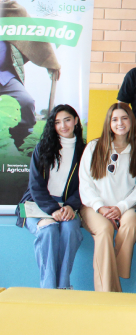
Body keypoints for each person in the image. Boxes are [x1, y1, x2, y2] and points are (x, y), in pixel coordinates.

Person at [16, 104, 85, 289]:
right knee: (49, 230)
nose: (63, 126)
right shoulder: (43, 148)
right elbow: (35, 185)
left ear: (75, 121)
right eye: (57, 122)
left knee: (71, 230)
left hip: (67, 206)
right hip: (37, 204)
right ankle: (48, 290)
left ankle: (62, 287)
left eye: (67, 120)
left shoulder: (84, 151)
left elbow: (85, 185)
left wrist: (71, 205)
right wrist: (53, 209)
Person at [78, 103, 136, 292]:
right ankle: (106, 291)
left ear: (131, 121)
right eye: (114, 119)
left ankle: (112, 270)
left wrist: (121, 207)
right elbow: (85, 183)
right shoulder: (94, 147)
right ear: (108, 123)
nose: (120, 123)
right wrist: (100, 207)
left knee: (131, 224)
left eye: (124, 118)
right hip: (94, 208)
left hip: (125, 208)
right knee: (105, 229)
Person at [0, 0, 61, 151]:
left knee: (25, 102)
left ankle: (22, 144)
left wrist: (52, 64)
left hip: (4, 75)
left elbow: (36, 38)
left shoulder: (14, 11)